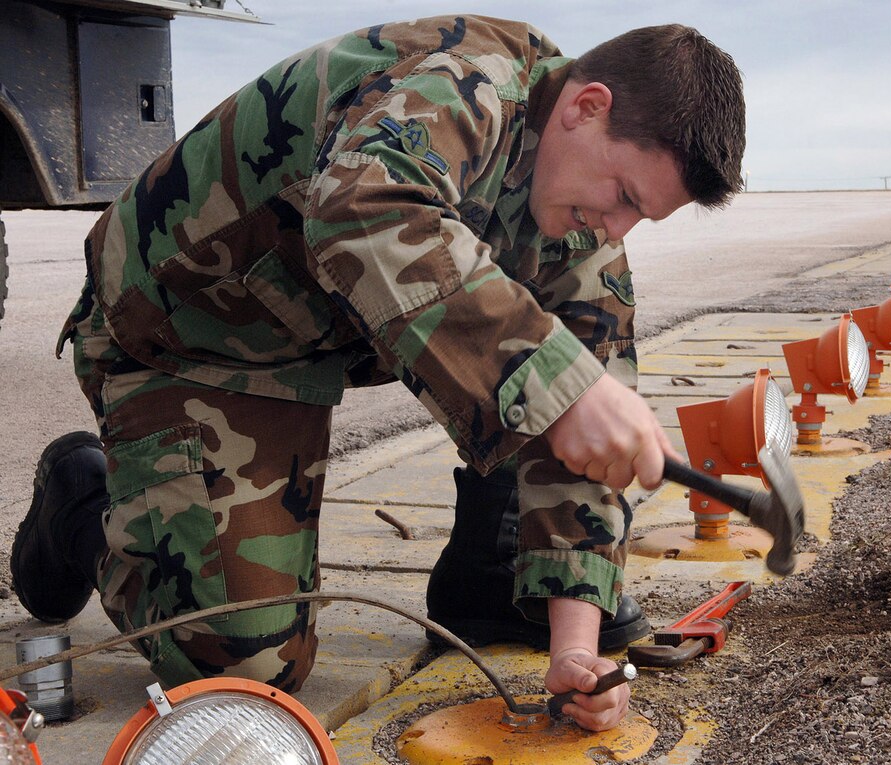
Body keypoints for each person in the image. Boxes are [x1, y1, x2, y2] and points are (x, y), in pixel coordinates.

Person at [11, 15, 744, 731]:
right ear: (587, 108)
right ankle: (81, 503)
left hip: (306, 351)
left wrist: (578, 651)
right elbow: (361, 207)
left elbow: (594, 439)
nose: (616, 231)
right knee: (241, 670)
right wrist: (565, 389)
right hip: (179, 332)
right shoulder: (464, 83)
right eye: (624, 197)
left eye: (642, 217)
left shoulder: (583, 225)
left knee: (564, 387)